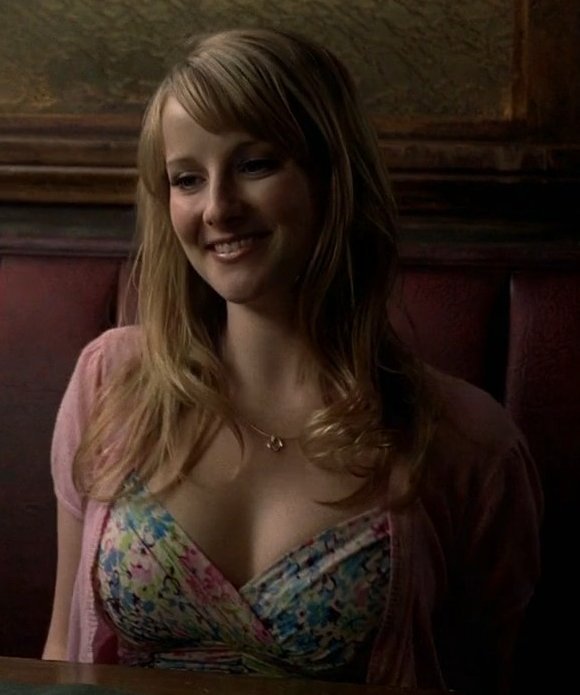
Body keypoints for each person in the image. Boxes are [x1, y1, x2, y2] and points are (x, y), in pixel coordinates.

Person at [42, 27, 542, 694]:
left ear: (332, 176)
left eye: (255, 165)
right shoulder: (109, 382)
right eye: (187, 179)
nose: (218, 207)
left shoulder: (469, 445)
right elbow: (60, 650)